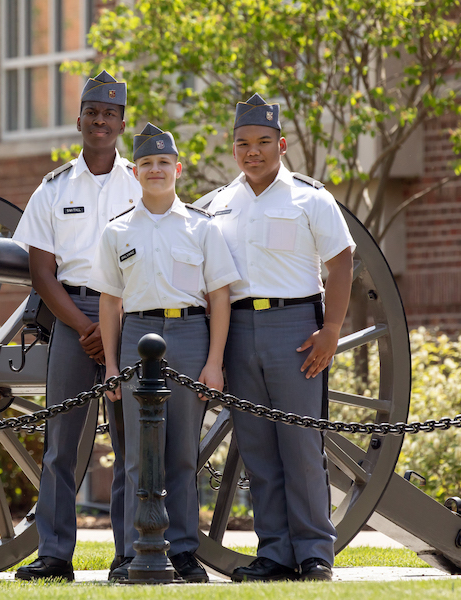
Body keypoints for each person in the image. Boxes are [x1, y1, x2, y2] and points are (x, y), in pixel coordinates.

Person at [201, 93, 355, 582]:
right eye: (243, 143)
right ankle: (274, 554)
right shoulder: (217, 205)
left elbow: (341, 262)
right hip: (239, 330)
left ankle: (314, 554)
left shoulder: (312, 197)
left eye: (263, 142)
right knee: (257, 447)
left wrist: (331, 328)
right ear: (233, 148)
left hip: (296, 329)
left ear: (281, 144)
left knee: (301, 446)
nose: (253, 152)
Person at [89, 124, 240, 583]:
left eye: (164, 163)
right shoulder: (117, 231)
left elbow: (219, 297)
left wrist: (213, 362)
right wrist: (112, 366)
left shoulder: (202, 227)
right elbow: (110, 303)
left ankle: (185, 553)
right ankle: (130, 552)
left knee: (180, 454)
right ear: (135, 172)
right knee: (135, 453)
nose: (156, 170)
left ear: (178, 167)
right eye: (147, 164)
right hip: (137, 335)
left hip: (190, 333)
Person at [13, 70, 142, 583]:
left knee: (133, 443)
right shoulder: (53, 187)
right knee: (61, 445)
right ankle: (54, 555)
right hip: (72, 320)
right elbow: (41, 271)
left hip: (131, 319)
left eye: (110, 113)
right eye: (93, 111)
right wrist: (85, 327)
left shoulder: (142, 181)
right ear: (81, 119)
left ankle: (130, 553)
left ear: (122, 123)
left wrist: (111, 323)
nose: (101, 120)